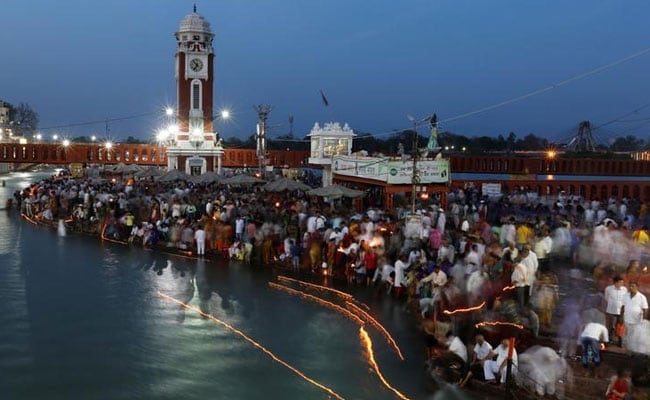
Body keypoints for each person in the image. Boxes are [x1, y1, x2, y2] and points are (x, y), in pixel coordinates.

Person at [604, 276, 628, 346]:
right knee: (611, 326)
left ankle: (619, 341)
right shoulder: (608, 289)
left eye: (622, 282)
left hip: (620, 311)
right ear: (615, 282)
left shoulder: (624, 289)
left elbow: (625, 299)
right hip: (611, 310)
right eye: (620, 282)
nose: (622, 284)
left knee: (620, 326)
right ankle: (610, 340)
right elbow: (606, 298)